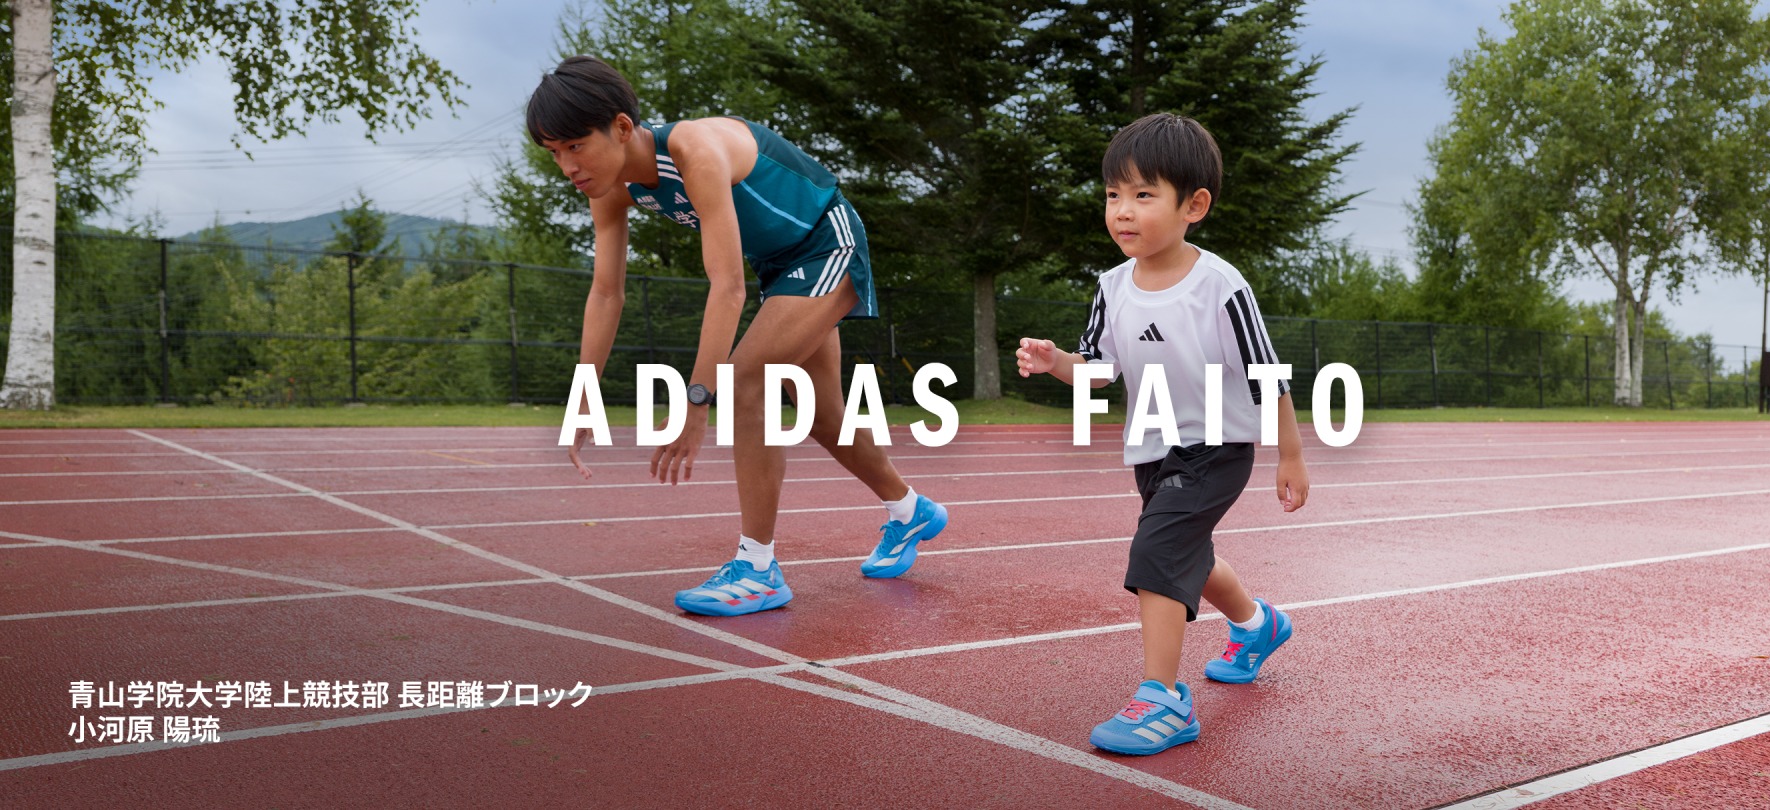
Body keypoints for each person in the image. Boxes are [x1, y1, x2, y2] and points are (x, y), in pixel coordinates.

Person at [528, 55, 948, 616]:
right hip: (781, 268)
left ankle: (758, 569)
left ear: (622, 127)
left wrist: (698, 400)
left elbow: (727, 287)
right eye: (554, 152)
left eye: (575, 146)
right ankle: (910, 511)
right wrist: (585, 395)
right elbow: (606, 294)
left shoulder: (694, 151)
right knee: (823, 414)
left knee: (747, 379)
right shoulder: (608, 189)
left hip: (827, 242)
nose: (567, 166)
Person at [1013, 113, 1309, 755]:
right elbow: (1099, 368)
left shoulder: (1220, 286)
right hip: (1152, 447)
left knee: (1158, 551)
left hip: (1217, 448)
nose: (1123, 210)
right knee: (1186, 553)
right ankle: (1256, 625)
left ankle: (1164, 698)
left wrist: (1290, 454)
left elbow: (1266, 373)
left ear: (1192, 206)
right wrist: (1058, 361)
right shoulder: (1111, 287)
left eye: (1144, 194)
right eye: (1113, 194)